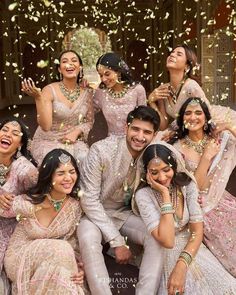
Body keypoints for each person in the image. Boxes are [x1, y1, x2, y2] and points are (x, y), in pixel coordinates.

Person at [78, 106, 163, 295]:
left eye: (147, 132)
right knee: (88, 239)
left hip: (125, 213)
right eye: (135, 129)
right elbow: (89, 200)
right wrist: (117, 241)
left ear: (154, 135)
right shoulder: (101, 150)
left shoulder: (152, 154)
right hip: (93, 213)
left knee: (156, 238)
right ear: (126, 127)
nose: (140, 137)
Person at [135, 142, 236, 295]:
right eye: (154, 172)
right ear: (146, 173)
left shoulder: (187, 185)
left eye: (166, 170)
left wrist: (181, 266)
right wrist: (165, 195)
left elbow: (197, 231)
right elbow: (167, 240)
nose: (162, 177)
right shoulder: (143, 196)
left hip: (192, 247)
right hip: (163, 253)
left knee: (227, 287)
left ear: (174, 166)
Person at [0, 149, 87, 295]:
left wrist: (78, 268)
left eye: (72, 172)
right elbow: (2, 209)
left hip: (53, 260)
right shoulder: (30, 202)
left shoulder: (75, 207)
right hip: (19, 258)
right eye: (61, 173)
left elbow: (72, 241)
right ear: (49, 176)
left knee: (59, 272)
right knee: (61, 249)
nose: (68, 178)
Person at [171, 96, 236, 277]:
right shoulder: (178, 148)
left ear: (206, 117)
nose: (193, 117)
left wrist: (230, 127)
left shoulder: (218, 139)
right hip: (199, 205)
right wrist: (206, 157)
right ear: (182, 118)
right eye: (188, 113)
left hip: (222, 199)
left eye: (198, 112)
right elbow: (195, 187)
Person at [21, 49, 94, 166]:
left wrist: (76, 132)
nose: (69, 64)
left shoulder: (87, 92)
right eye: (65, 61)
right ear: (60, 69)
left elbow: (89, 122)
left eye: (74, 61)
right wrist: (38, 98)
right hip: (48, 141)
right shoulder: (49, 90)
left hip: (74, 141)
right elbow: (45, 126)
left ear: (80, 67)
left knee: (84, 159)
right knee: (58, 163)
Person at [148, 44, 236, 131]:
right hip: (188, 129)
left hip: (215, 123)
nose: (172, 55)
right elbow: (163, 126)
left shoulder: (191, 87)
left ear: (187, 67)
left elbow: (207, 117)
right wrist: (151, 101)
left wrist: (175, 132)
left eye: (179, 54)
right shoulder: (163, 89)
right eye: (172, 52)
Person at [0, 117, 38, 294]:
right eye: (4, 130)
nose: (7, 134)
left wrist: (13, 203)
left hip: (8, 227)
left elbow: (39, 198)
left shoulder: (25, 169)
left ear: (20, 144)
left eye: (15, 133)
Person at [94, 52, 147, 136]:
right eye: (101, 75)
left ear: (118, 71)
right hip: (110, 141)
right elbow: (88, 112)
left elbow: (144, 120)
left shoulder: (137, 90)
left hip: (134, 140)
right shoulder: (101, 92)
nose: (103, 79)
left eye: (107, 74)